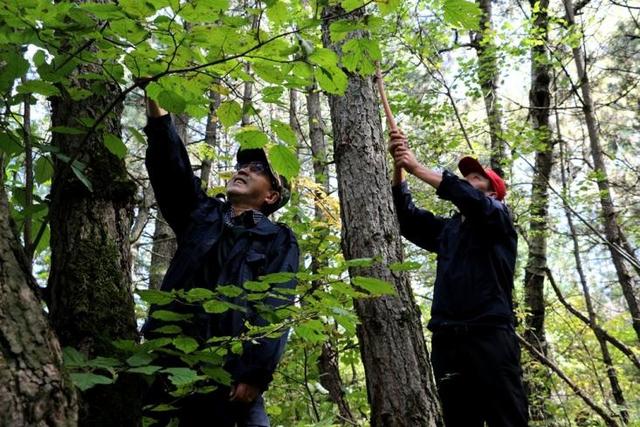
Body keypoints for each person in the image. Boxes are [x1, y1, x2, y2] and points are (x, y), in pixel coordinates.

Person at [140, 94, 299, 427]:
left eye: (258, 170)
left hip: (231, 375)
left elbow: (277, 305)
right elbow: (172, 171)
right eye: (243, 165)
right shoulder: (202, 214)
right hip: (169, 362)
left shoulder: (279, 239)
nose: (243, 169)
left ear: (271, 195)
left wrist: (255, 374)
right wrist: (156, 102)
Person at [388, 129, 528, 426]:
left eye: (478, 179)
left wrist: (416, 167)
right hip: (447, 341)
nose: (468, 181)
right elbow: (407, 218)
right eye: (467, 177)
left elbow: (469, 200)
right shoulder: (448, 231)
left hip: (489, 336)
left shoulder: (499, 219)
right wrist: (399, 168)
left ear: (493, 194)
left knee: (507, 419)